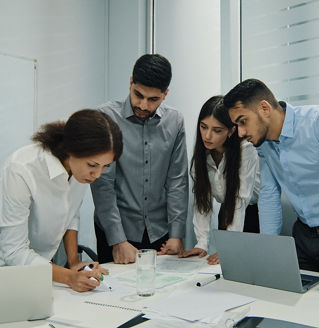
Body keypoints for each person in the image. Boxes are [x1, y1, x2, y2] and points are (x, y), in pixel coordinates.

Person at [0, 109, 123, 292]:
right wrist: (69, 277)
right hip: (9, 273)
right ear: (70, 149)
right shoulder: (22, 169)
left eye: (105, 166)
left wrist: (74, 262)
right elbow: (13, 252)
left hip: (44, 271)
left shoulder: (79, 172)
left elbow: (71, 215)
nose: (97, 175)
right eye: (92, 165)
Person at [91, 54, 189, 264]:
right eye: (138, 95)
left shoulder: (175, 121)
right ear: (130, 83)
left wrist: (176, 233)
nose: (143, 105)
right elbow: (103, 185)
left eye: (153, 99)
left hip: (160, 232)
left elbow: (177, 181)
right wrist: (117, 240)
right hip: (116, 230)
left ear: (165, 94)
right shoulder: (106, 117)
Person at [224, 78, 319, 272]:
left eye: (243, 121)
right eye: (236, 125)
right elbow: (269, 195)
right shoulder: (264, 145)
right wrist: (268, 251)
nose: (240, 133)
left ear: (264, 108)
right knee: (293, 298)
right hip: (303, 238)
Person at [180, 95, 260, 264]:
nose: (207, 136)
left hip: (253, 213)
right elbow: (202, 201)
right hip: (228, 210)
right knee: (222, 268)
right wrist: (201, 243)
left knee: (247, 269)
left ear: (231, 131)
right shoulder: (202, 155)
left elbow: (240, 199)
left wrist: (230, 247)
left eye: (217, 130)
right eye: (203, 127)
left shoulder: (246, 150)